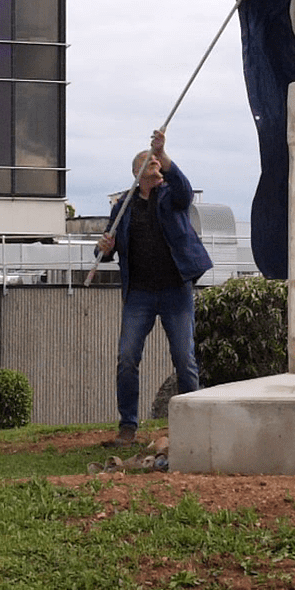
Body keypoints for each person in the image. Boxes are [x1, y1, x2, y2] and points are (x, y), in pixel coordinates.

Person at [94, 128, 214, 447]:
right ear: (137, 174)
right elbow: (106, 245)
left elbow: (185, 192)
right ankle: (128, 428)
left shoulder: (171, 196)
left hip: (176, 289)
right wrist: (103, 248)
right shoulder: (123, 207)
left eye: (159, 166)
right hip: (140, 294)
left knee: (183, 358)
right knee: (127, 357)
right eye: (151, 166)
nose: (157, 169)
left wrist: (164, 154)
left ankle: (193, 427)